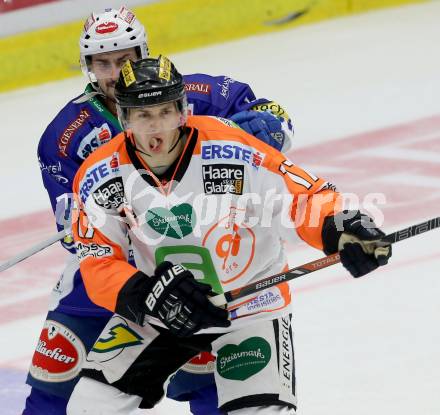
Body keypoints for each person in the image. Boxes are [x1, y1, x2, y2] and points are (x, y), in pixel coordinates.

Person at [65, 56, 391, 415]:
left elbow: (304, 199)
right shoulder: (99, 175)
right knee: (88, 406)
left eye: (164, 112)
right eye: (143, 115)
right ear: (124, 117)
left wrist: (341, 228)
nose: (155, 127)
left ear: (183, 111)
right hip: (161, 310)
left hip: (251, 305)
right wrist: (148, 295)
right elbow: (98, 262)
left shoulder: (232, 147)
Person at [26, 6, 294, 415]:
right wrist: (102, 218)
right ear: (88, 65)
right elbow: (76, 233)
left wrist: (266, 128)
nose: (114, 72)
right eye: (103, 62)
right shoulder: (67, 136)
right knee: (54, 387)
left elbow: (274, 118)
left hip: (196, 263)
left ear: (143, 52)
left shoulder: (194, 95)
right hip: (110, 276)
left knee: (213, 382)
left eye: (124, 59)